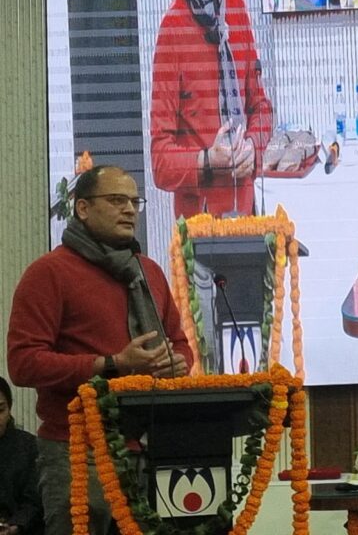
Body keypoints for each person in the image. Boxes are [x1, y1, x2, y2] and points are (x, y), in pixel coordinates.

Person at [6, 166, 193, 535]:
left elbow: (181, 344)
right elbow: (22, 363)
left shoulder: (148, 272)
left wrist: (176, 363)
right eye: (117, 200)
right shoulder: (49, 272)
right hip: (76, 451)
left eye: (134, 202)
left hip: (147, 448)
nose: (130, 210)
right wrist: (112, 363)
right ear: (83, 208)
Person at [150, 0, 274, 217]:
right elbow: (160, 161)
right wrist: (207, 161)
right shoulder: (173, 27)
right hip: (199, 225)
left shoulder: (237, 8)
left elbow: (261, 108)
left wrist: (252, 148)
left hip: (245, 215)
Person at [0, 376, 43, 535]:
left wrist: (15, 526)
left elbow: (35, 501)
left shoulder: (29, 446)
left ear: (9, 409)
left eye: (0, 410)